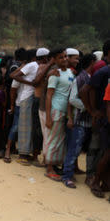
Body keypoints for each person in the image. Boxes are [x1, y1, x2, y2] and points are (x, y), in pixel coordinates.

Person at [62, 54, 96, 187]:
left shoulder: (87, 77)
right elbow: (72, 99)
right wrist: (88, 107)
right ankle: (67, 176)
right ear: (92, 63)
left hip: (84, 120)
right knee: (74, 148)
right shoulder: (81, 78)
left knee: (76, 148)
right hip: (80, 120)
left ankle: (69, 173)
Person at [44, 48, 75, 182]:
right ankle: (49, 168)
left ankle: (55, 165)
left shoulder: (70, 72)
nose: (64, 59)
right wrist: (48, 117)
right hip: (56, 109)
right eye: (61, 57)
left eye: (65, 56)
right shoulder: (54, 75)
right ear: (55, 60)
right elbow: (49, 96)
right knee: (53, 140)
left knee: (60, 140)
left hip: (65, 110)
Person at [80, 60, 110, 197]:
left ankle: (103, 180)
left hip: (103, 118)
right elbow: (84, 91)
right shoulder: (103, 72)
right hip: (104, 120)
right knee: (99, 150)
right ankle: (93, 179)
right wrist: (92, 111)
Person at [10, 49, 43, 165]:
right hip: (26, 97)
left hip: (31, 98)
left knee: (30, 127)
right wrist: (30, 83)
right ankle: (22, 154)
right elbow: (13, 75)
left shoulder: (36, 66)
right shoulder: (32, 65)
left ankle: (27, 153)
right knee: (25, 127)